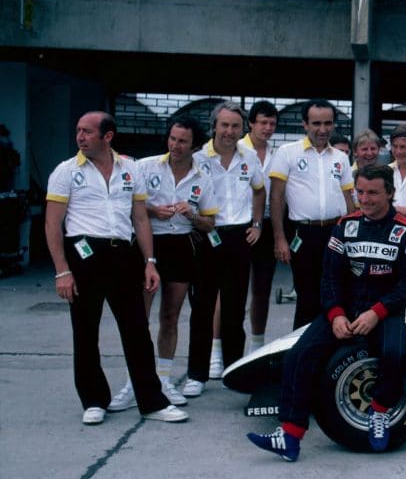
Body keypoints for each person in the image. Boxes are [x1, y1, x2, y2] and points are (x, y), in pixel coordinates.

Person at [246, 164, 406, 460]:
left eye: (373, 193)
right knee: (298, 356)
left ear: (391, 194)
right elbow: (329, 278)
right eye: (360, 192)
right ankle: (290, 436)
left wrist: (375, 313)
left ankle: (379, 412)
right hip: (345, 308)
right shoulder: (345, 226)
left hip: (385, 310)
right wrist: (336, 315)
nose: (365, 199)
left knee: (395, 354)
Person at [44, 111, 188, 424]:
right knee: (85, 330)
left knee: (137, 330)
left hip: (123, 253)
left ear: (107, 136)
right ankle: (94, 400)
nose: (80, 137)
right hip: (84, 254)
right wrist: (62, 270)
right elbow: (53, 224)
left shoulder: (130, 168)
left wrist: (150, 262)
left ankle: (152, 402)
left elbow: (140, 218)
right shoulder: (66, 172)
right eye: (78, 130)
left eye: (87, 132)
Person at [107, 115, 218, 411]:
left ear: (195, 145)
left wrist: (191, 215)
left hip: (181, 245)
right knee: (139, 318)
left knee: (170, 316)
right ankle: (136, 381)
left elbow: (210, 224)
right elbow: (128, 205)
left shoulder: (202, 177)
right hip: (148, 244)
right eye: (172, 138)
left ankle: (164, 379)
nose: (176, 145)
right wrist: (154, 211)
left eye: (183, 141)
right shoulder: (145, 166)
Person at [187, 102, 266, 397]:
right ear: (214, 126)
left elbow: (260, 189)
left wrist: (257, 224)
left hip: (239, 237)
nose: (229, 132)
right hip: (207, 235)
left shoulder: (249, 158)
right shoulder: (198, 159)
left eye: (235, 126)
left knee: (235, 309)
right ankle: (197, 373)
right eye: (224, 125)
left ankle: (235, 371)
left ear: (242, 128)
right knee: (203, 307)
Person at [268, 101, 355, 330]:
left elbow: (349, 201)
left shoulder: (341, 157)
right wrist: (279, 238)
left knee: (335, 295)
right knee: (307, 298)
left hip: (335, 233)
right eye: (316, 123)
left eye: (328, 123)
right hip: (303, 234)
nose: (322, 129)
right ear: (305, 124)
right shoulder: (287, 153)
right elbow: (276, 198)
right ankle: (302, 354)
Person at [239, 100, 279, 352]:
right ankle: (217, 349)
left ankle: (257, 345)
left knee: (262, 290)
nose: (267, 128)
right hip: (240, 225)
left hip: (267, 225)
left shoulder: (277, 155)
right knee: (231, 291)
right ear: (251, 123)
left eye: (272, 123)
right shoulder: (237, 149)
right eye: (262, 122)